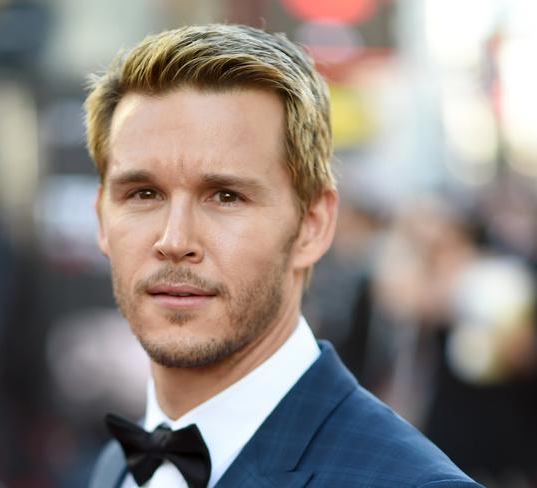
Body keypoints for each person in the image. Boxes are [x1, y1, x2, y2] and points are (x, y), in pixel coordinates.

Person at [85, 24, 482, 488]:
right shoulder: (115, 466)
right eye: (143, 193)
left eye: (226, 196)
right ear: (101, 220)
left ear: (312, 226)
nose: (174, 240)